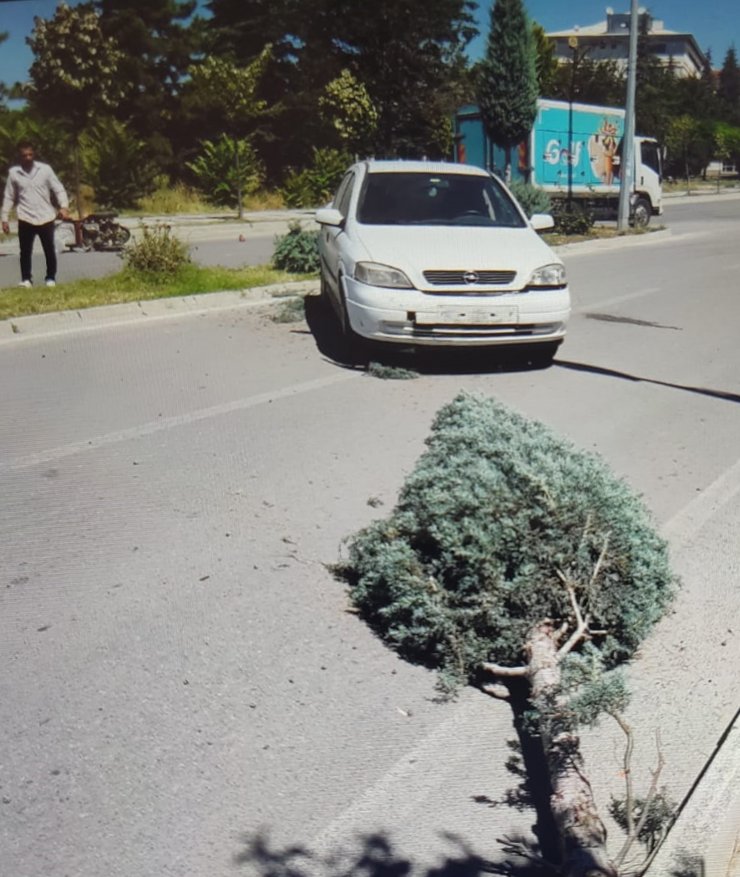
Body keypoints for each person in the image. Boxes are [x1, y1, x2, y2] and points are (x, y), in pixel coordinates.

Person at [1, 140, 70, 288]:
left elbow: (58, 188)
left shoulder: (45, 170)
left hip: (45, 216)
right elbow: (9, 196)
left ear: (34, 154)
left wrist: (64, 207)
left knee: (49, 249)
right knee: (25, 251)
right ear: (19, 156)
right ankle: (26, 279)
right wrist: (4, 218)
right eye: (24, 155)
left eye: (30, 155)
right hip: (25, 216)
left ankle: (50, 278)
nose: (27, 158)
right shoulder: (14, 173)